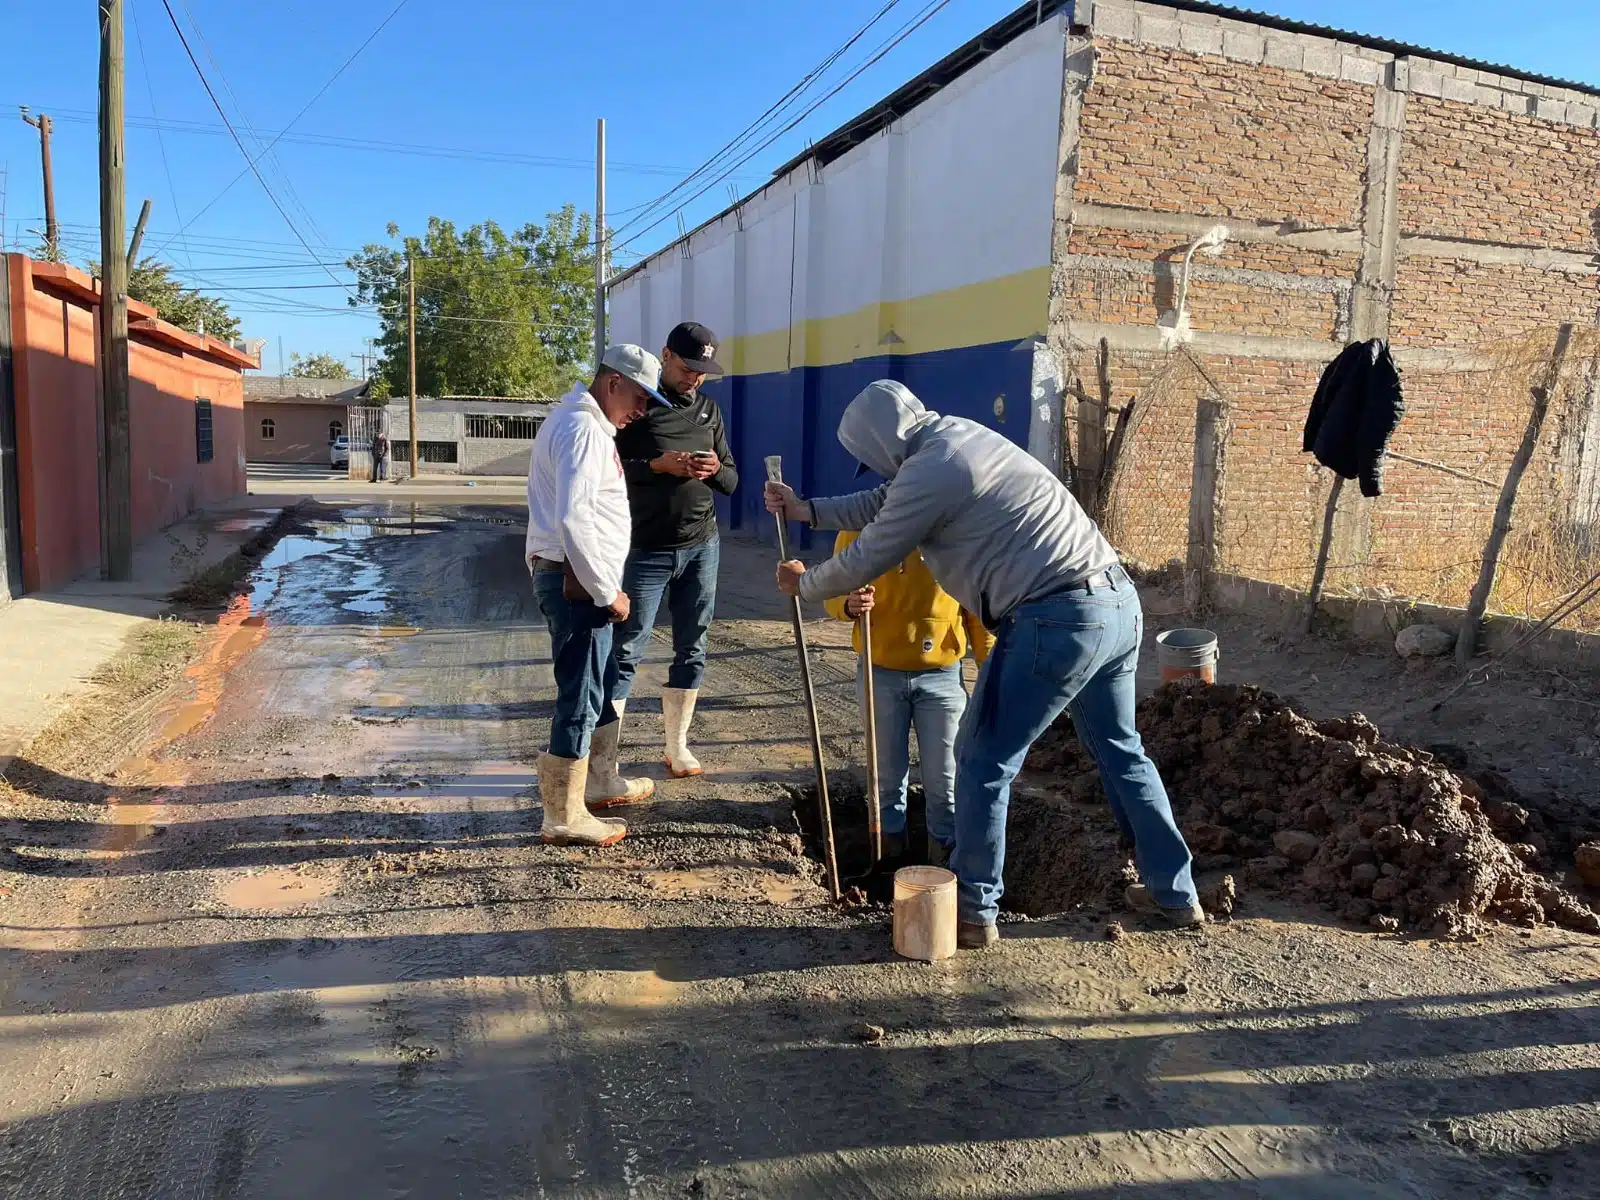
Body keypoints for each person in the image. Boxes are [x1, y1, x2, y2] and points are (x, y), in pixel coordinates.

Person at [765, 380, 1202, 949]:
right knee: (1121, 753)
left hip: (1056, 619)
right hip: (1115, 604)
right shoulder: (958, 441)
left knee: (981, 760)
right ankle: (1176, 893)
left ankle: (973, 910)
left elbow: (875, 548)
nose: (875, 472)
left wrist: (807, 585)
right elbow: (883, 503)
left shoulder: (933, 468)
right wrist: (809, 510)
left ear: (878, 443)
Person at [525, 344, 669, 846]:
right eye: (639, 397)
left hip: (574, 578)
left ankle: (597, 785)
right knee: (581, 694)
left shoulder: (577, 422)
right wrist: (607, 591)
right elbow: (573, 517)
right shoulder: (584, 429)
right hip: (578, 585)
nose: (642, 411)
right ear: (612, 383)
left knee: (594, 684)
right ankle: (563, 817)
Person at [610, 322, 738, 779]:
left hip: (702, 545)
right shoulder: (637, 405)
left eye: (702, 372)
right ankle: (606, 759)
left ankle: (677, 746)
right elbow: (610, 467)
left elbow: (732, 479)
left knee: (693, 647)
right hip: (646, 548)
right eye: (687, 368)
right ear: (665, 356)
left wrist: (712, 469)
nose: (694, 379)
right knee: (626, 647)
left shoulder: (708, 410)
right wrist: (655, 465)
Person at [823, 534, 992, 867]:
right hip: (879, 671)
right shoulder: (860, 528)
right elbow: (832, 585)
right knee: (885, 776)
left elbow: (977, 607)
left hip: (942, 675)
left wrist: (992, 671)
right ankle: (889, 862)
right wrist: (847, 605)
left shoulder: (955, 528)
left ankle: (944, 865)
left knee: (944, 779)